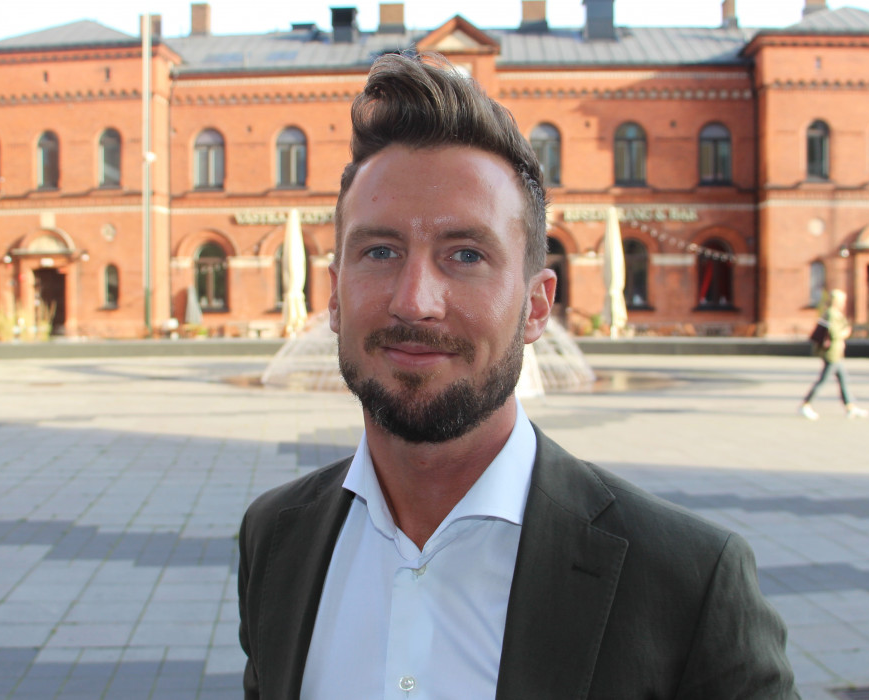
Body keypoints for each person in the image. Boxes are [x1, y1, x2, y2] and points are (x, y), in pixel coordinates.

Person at [238, 51, 798, 699]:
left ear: (536, 307)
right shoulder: (275, 539)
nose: (415, 300)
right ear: (334, 296)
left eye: (466, 254)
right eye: (381, 250)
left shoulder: (687, 582)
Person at [799, 288, 869, 420]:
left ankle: (850, 407)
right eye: (842, 300)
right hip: (832, 353)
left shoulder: (832, 312)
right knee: (823, 380)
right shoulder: (832, 314)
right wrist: (846, 332)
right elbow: (834, 333)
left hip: (836, 353)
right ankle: (806, 405)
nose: (844, 303)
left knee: (843, 380)